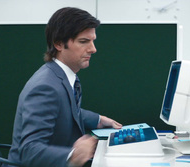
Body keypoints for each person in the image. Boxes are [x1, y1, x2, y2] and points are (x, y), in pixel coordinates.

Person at [6, 7, 122, 167]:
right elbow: (29, 151)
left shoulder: (60, 76)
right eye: (83, 42)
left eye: (93, 41)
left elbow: (64, 111)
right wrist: (73, 155)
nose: (93, 49)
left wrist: (98, 120)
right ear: (59, 44)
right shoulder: (45, 87)